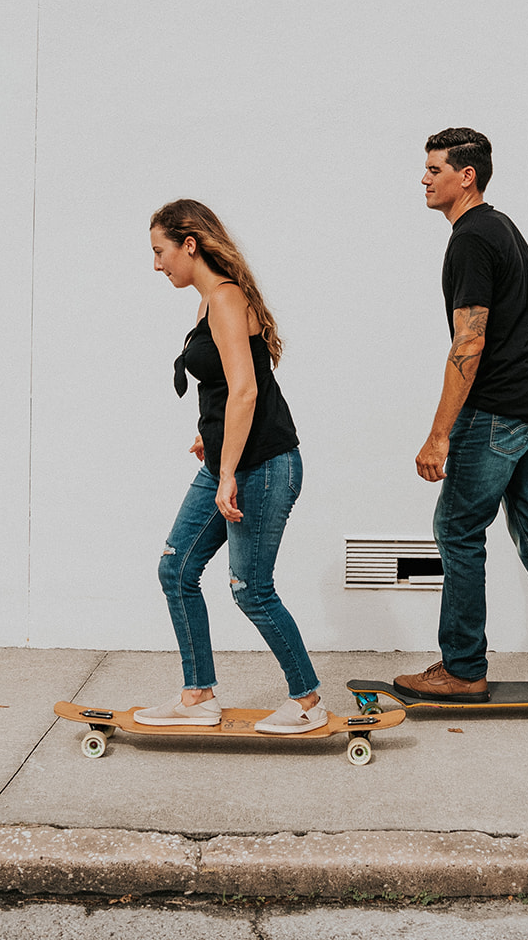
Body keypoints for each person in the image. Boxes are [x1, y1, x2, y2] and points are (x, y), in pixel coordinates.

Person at [396, 127, 528, 702]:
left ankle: (463, 668)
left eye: (434, 169)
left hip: (499, 411)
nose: (423, 177)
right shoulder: (502, 227)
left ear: (467, 175)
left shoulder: (470, 238)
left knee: (458, 529)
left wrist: (439, 436)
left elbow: (470, 342)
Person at [136, 199, 324, 733]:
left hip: (262, 466)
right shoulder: (209, 303)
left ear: (189, 244)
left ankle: (308, 701)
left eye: (160, 251)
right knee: (177, 569)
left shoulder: (224, 299)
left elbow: (244, 391)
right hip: (234, 460)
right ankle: (197, 696)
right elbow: (229, 386)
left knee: (250, 588)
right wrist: (209, 435)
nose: (156, 264)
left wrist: (226, 474)